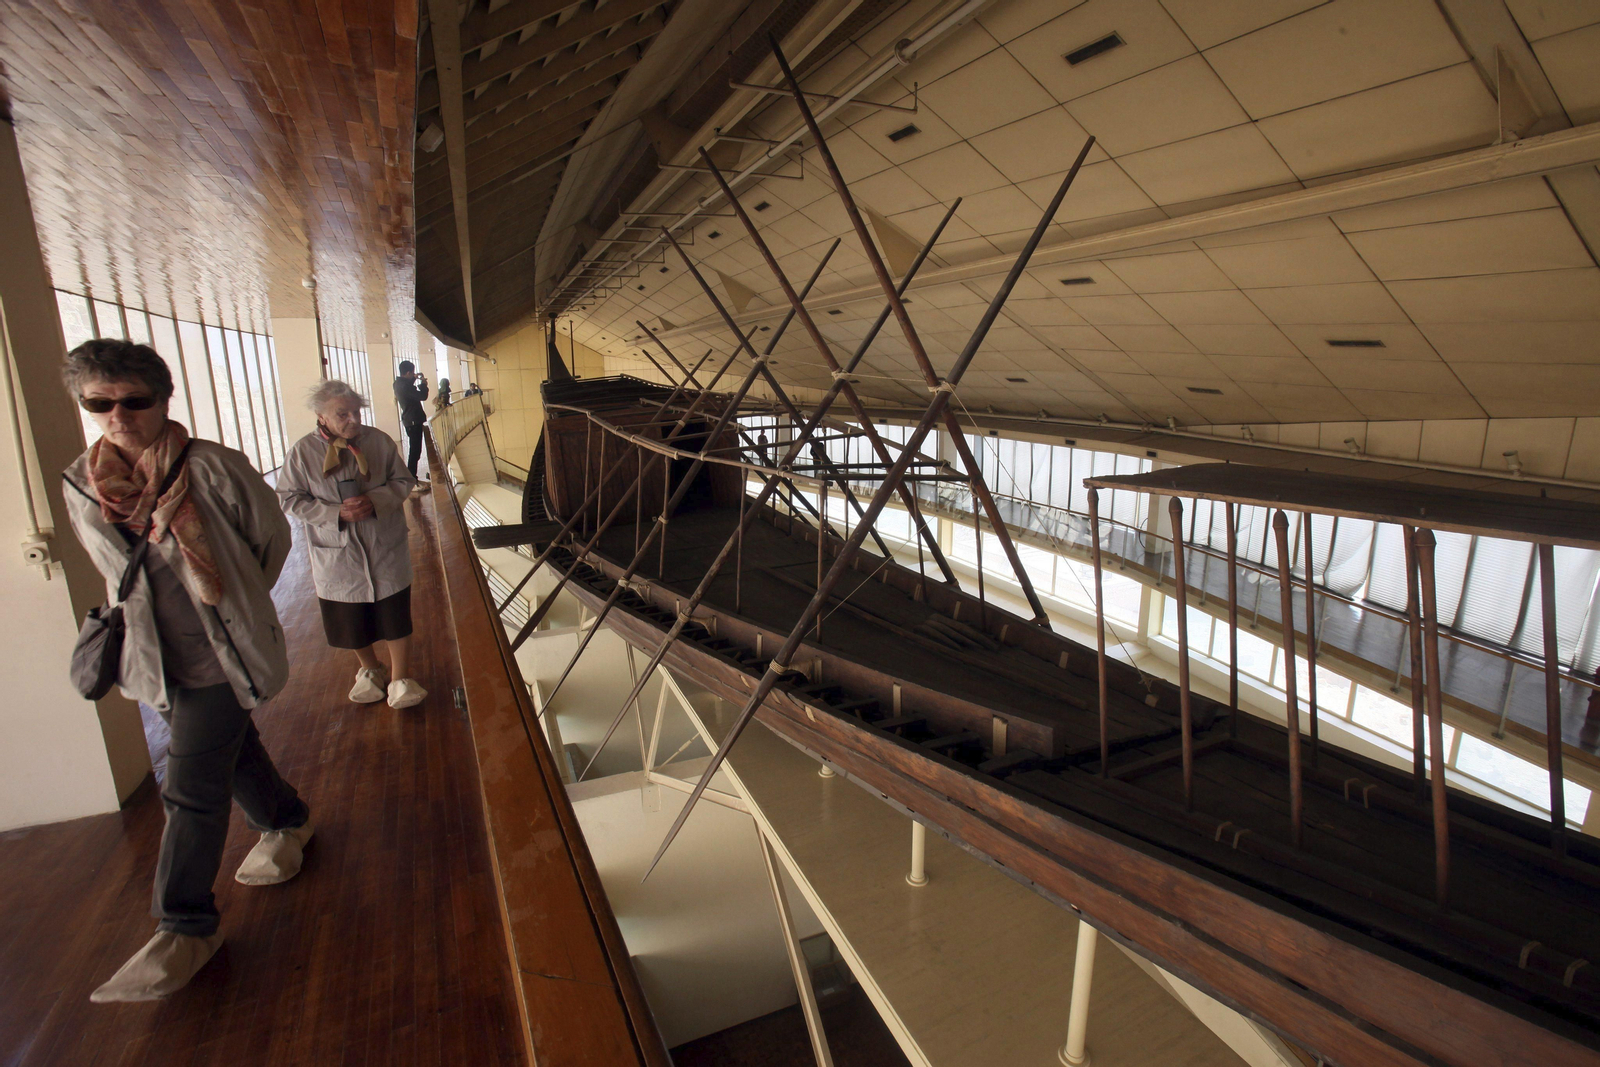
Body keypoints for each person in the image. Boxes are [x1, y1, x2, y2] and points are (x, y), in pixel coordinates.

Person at [60, 339, 310, 1003]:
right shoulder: (82, 483)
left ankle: (186, 923)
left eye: (134, 400)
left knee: (191, 784)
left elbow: (272, 538)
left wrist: (239, 606)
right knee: (230, 754)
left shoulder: (213, 468)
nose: (119, 414)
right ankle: (287, 817)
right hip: (153, 662)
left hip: (217, 657)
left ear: (162, 399)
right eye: (100, 402)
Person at [277, 380, 427, 712]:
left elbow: (403, 480)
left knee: (394, 614)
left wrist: (375, 501)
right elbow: (289, 498)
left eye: (356, 412)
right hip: (336, 550)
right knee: (350, 617)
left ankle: (401, 678)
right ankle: (370, 668)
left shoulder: (379, 442)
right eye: (342, 414)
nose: (352, 420)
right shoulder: (303, 453)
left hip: (383, 543)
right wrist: (333, 513)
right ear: (321, 416)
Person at [392, 359, 429, 486]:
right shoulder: (405, 386)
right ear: (408, 372)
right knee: (415, 452)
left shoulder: (397, 383)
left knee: (414, 451)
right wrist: (423, 383)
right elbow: (422, 396)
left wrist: (413, 378)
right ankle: (411, 479)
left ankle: (412, 478)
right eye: (412, 373)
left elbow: (408, 388)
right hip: (414, 421)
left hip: (409, 420)